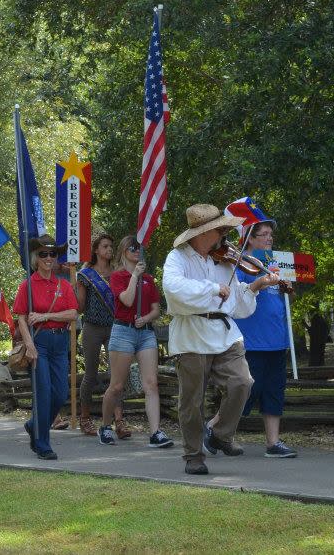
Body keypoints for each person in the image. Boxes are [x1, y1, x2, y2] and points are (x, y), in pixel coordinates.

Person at [163, 203, 280, 475]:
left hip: (225, 334)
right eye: (221, 230)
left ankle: (218, 434)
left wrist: (255, 286)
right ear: (204, 233)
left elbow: (236, 302)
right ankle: (194, 455)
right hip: (191, 335)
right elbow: (174, 289)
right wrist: (214, 289)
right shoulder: (177, 258)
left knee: (242, 383)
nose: (225, 236)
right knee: (192, 402)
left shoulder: (223, 258)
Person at [204, 219, 297, 458]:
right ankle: (213, 428)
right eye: (263, 234)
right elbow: (235, 300)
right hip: (252, 340)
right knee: (244, 392)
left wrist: (287, 288)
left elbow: (282, 300)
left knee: (274, 391)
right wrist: (259, 285)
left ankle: (273, 443)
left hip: (277, 338)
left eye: (270, 235)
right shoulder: (239, 265)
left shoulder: (275, 263)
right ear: (250, 238)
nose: (269, 238)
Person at [97, 236, 174, 449]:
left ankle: (155, 432)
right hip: (123, 331)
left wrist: (146, 319)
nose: (136, 251)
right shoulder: (118, 276)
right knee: (117, 385)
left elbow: (156, 309)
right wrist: (135, 276)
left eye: (139, 248)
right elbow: (127, 300)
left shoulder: (149, 279)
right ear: (123, 252)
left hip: (145, 333)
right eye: (132, 248)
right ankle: (104, 426)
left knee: (151, 383)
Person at [12, 236, 79, 460]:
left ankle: (34, 424)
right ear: (35, 258)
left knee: (60, 394)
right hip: (39, 342)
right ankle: (42, 443)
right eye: (43, 254)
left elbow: (73, 314)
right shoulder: (27, 286)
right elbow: (21, 318)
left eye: (52, 254)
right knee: (43, 393)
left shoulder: (64, 284)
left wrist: (46, 315)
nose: (49, 258)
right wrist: (29, 345)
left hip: (60, 342)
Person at [74, 233, 128, 437]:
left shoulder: (117, 273)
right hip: (92, 328)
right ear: (96, 250)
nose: (109, 250)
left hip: (115, 327)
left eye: (111, 246)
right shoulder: (86, 275)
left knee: (117, 376)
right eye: (105, 246)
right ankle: (85, 418)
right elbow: (79, 307)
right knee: (91, 374)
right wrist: (76, 286)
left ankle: (119, 421)